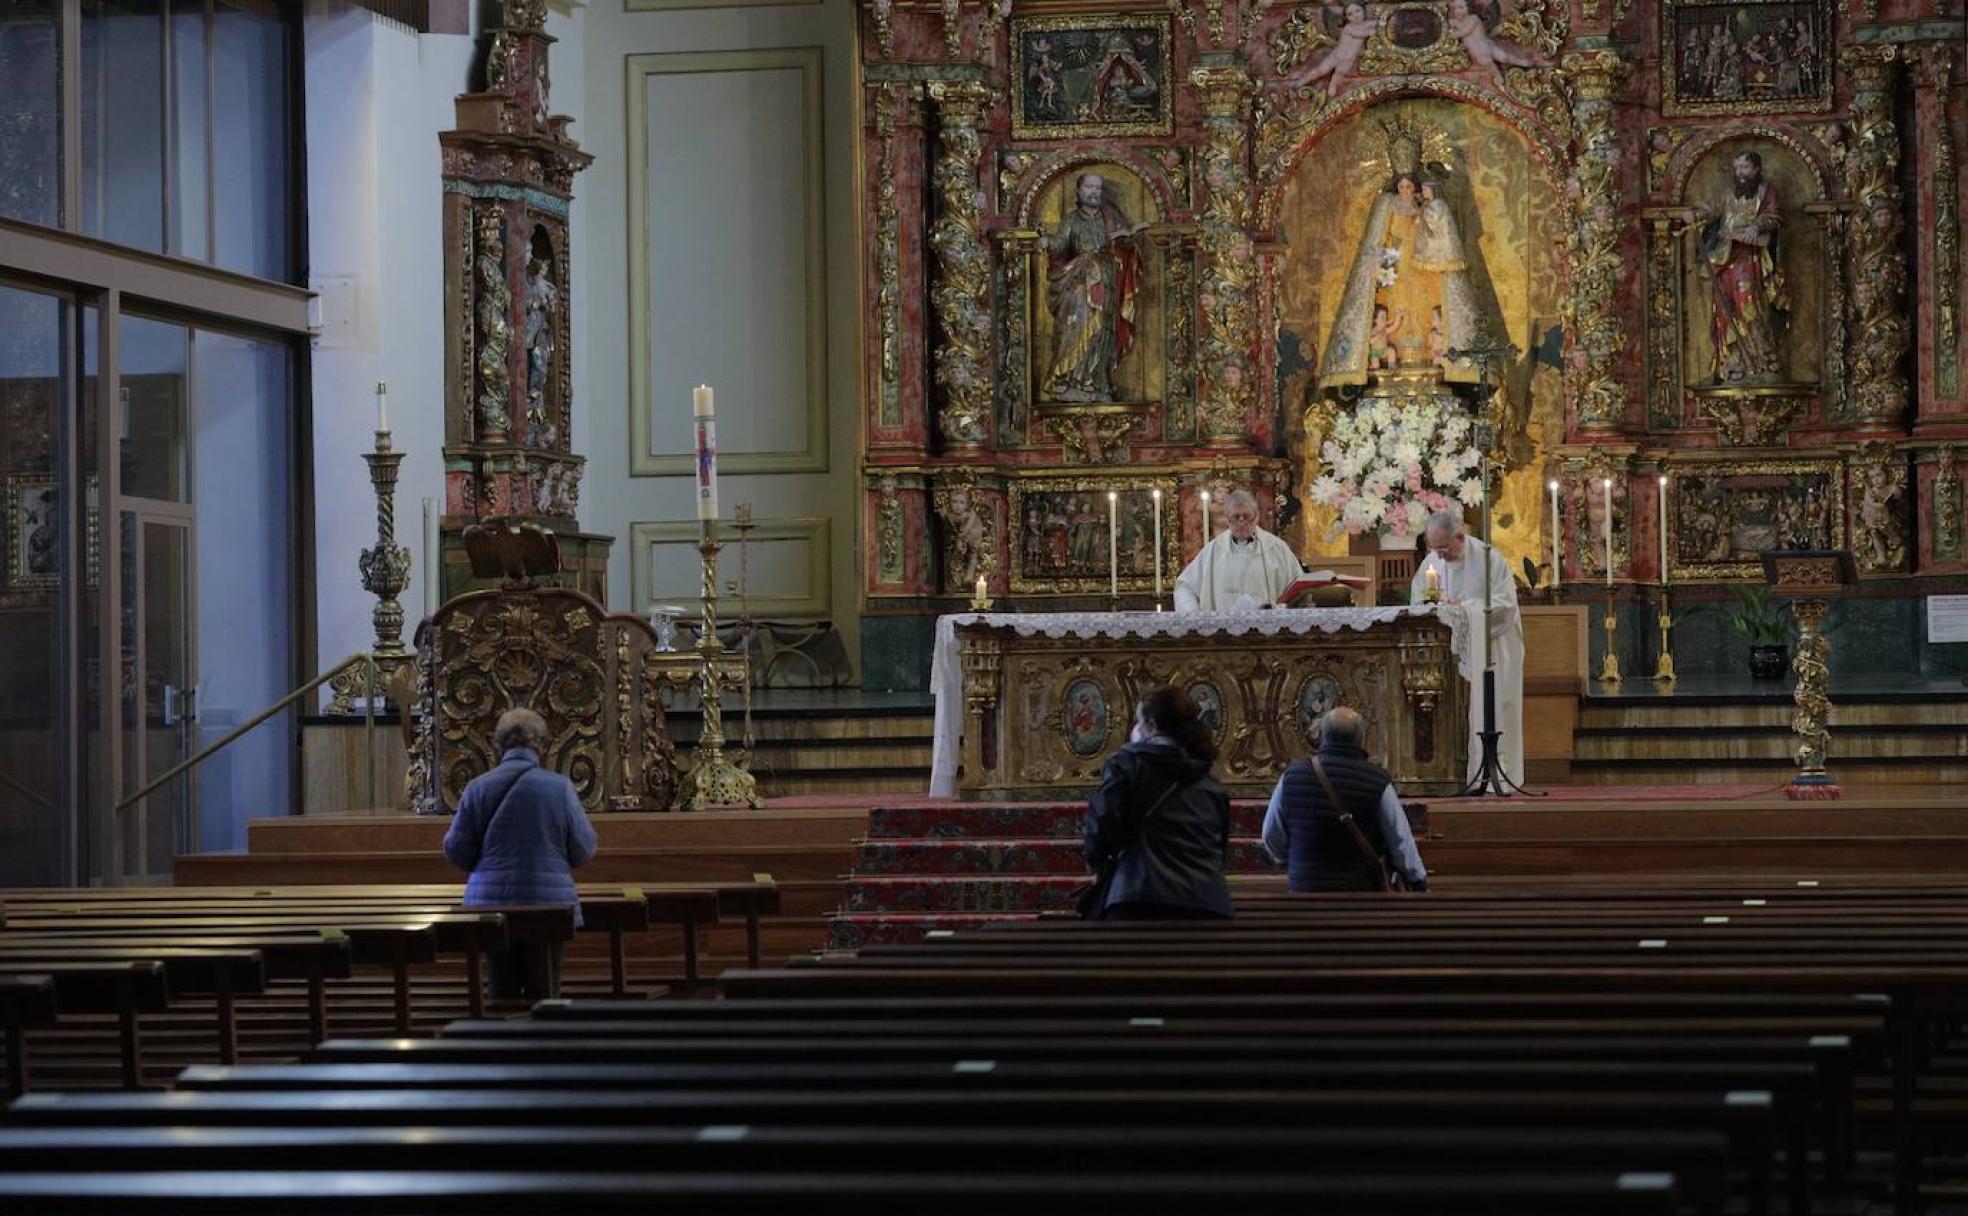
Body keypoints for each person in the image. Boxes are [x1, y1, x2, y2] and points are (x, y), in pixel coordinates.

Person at [443, 707, 598, 1000]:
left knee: (502, 992)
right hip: (548, 905)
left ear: (497, 745)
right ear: (540, 746)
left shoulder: (477, 789)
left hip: (490, 906)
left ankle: (502, 1042)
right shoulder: (560, 789)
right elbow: (583, 849)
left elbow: (456, 852)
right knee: (546, 996)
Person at [1082, 686, 1234, 920]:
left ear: (1151, 725)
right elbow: (1220, 848)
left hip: (1138, 897)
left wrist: (1097, 860)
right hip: (1207, 903)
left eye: (1138, 721)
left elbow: (1103, 821)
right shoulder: (1210, 782)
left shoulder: (1127, 765)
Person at [1411, 509, 1524, 787]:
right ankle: (1455, 775)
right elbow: (1419, 601)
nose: (1439, 556)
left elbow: (1505, 606)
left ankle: (1495, 775)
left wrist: (1464, 611)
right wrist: (1435, 608)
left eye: (1444, 548)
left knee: (1494, 708)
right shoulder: (1432, 562)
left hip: (1493, 645)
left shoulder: (1489, 559)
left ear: (1460, 537)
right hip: (1449, 651)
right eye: (1434, 548)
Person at [1261, 707, 1428, 892]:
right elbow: (1400, 840)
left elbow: (1270, 833)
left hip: (1307, 890)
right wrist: (1418, 880)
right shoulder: (1377, 780)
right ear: (1361, 739)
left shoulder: (1291, 776)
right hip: (1361, 895)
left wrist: (1293, 859)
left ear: (1321, 735)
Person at [1041, 172, 1148, 403]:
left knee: (1102, 334)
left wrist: (1131, 239)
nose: (1094, 192)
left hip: (1107, 283)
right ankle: (1068, 379)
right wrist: (1047, 241)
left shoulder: (1109, 218)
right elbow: (1059, 247)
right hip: (1079, 285)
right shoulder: (1071, 220)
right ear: (1079, 191)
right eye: (1089, 187)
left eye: (1098, 188)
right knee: (1076, 330)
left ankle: (1097, 383)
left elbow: (1123, 246)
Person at [1699, 150, 1788, 383]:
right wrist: (1696, 215)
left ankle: (1762, 361)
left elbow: (1775, 216)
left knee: (1750, 307)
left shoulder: (1765, 191)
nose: (1740, 173)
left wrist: (1758, 225)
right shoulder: (1729, 193)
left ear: (1756, 169)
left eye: (1745, 168)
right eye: (1737, 168)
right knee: (1725, 308)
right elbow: (1714, 211)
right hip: (1725, 260)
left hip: (1750, 259)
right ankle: (1734, 363)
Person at [1172, 489, 1303, 611]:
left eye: (1246, 516)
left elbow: (1299, 588)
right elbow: (1185, 587)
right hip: (1223, 631)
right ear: (1227, 520)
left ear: (1256, 517)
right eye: (1236, 517)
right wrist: (1192, 614)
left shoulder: (1277, 548)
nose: (1241, 522)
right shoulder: (1213, 551)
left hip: (1267, 631)